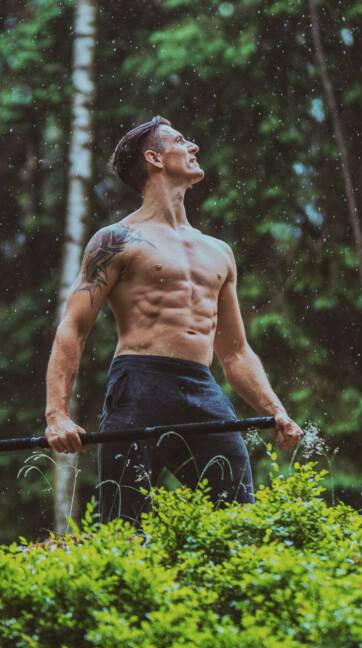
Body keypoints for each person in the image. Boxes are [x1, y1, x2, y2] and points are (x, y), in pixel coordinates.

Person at [43, 114, 303, 527]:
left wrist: (275, 410)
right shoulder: (116, 240)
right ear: (154, 158)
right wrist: (56, 415)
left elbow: (235, 351)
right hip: (139, 384)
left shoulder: (218, 251)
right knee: (123, 526)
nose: (193, 147)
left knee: (240, 519)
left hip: (201, 388)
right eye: (181, 141)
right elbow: (73, 328)